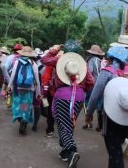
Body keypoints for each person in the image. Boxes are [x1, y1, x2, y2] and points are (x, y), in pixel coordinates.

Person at [85, 46, 128, 168]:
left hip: (112, 118)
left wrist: (89, 112)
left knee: (114, 152)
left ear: (110, 58)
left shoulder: (107, 72)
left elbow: (96, 94)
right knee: (116, 150)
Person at [41, 40, 94, 168]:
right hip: (79, 97)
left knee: (63, 124)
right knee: (69, 124)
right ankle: (65, 152)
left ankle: (71, 151)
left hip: (62, 96)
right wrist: (81, 90)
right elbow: (91, 81)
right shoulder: (83, 63)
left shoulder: (59, 59)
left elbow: (44, 59)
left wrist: (54, 49)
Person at [8, 46, 41, 135]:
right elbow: (37, 79)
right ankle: (23, 119)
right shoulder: (33, 63)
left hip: (17, 88)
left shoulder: (17, 61)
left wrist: (9, 86)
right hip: (29, 89)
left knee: (17, 104)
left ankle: (19, 117)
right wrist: (38, 91)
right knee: (25, 105)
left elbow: (13, 75)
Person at [83, 45, 105, 131]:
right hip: (101, 84)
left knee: (88, 102)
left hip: (92, 84)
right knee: (100, 104)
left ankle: (88, 123)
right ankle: (100, 126)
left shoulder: (91, 60)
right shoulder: (102, 61)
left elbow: (90, 71)